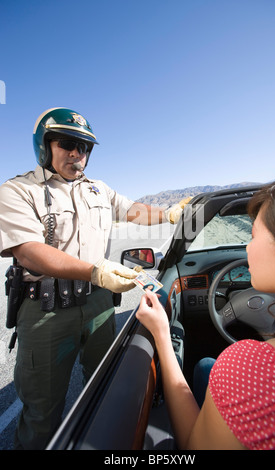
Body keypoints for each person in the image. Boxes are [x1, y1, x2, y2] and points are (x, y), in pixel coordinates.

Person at [0, 107, 191, 450]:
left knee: (106, 388)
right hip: (47, 312)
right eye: (67, 143)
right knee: (42, 413)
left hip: (99, 303)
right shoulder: (18, 190)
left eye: (84, 146)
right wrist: (95, 271)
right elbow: (28, 251)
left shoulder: (99, 190)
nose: (77, 153)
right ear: (44, 146)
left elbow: (132, 209)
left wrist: (169, 212)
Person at [136, 174, 275, 450]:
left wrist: (162, 336)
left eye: (253, 235)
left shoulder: (247, 368)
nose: (247, 247)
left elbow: (194, 446)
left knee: (204, 368)